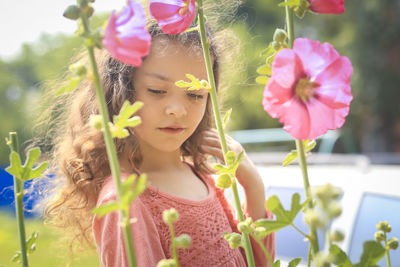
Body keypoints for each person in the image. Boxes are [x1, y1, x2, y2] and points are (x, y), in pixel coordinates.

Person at [38, 21, 275, 267]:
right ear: (121, 93)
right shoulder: (125, 199)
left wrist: (252, 184)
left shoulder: (202, 175)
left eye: (195, 94)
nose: (177, 110)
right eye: (157, 90)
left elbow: (258, 262)